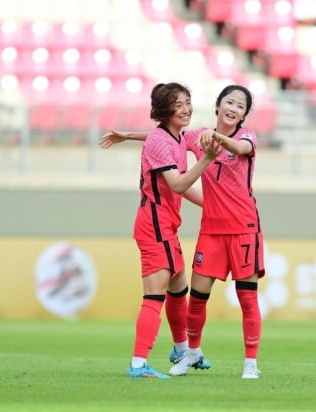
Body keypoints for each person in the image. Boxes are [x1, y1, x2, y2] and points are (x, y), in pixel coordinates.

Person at [100, 85, 266, 379]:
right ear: (217, 106)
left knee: (216, 294)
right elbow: (167, 149)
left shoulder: (240, 138)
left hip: (234, 228)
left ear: (244, 115)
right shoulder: (195, 137)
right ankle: (165, 357)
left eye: (240, 106)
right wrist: (129, 136)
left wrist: (214, 139)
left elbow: (238, 149)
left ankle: (228, 359)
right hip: (185, 228)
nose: (233, 108)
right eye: (228, 101)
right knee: (179, 297)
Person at [123, 82, 221, 379]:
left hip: (166, 225)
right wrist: (206, 159)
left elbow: (179, 185)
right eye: (179, 104)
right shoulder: (159, 142)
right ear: (165, 110)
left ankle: (181, 349)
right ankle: (138, 364)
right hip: (154, 226)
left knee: (179, 287)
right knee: (155, 296)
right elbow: (178, 184)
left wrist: (214, 205)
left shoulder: (178, 136)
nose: (186, 108)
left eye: (188, 102)